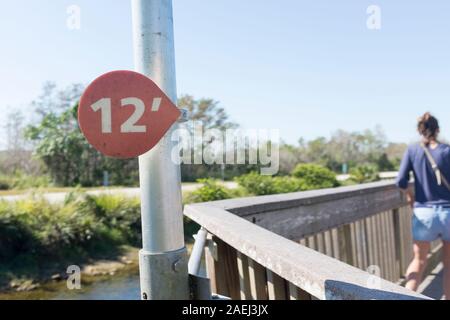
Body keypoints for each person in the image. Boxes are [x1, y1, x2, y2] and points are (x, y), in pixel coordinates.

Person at [396, 112, 450, 299]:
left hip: (423, 213)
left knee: (419, 261)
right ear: (438, 130)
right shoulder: (447, 150)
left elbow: (401, 181)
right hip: (448, 213)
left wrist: (411, 196)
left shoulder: (412, 151)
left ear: (420, 130)